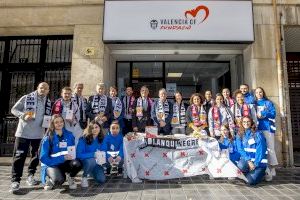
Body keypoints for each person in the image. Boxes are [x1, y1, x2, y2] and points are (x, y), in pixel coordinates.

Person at [10, 82, 52, 193]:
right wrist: (23, 115)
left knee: (35, 156)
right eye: (41, 87)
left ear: (48, 90)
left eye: (46, 88)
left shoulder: (48, 102)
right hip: (23, 133)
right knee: (19, 157)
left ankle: (31, 175)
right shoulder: (26, 98)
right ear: (37, 88)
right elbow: (14, 109)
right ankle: (15, 180)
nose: (43, 90)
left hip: (38, 134)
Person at [40, 114, 81, 190]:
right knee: (59, 180)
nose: (59, 124)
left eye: (61, 121)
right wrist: (62, 158)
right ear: (52, 124)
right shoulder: (48, 138)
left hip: (64, 162)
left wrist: (73, 156)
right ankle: (49, 179)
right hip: (51, 164)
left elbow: (72, 150)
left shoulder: (69, 135)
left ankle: (70, 177)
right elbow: (44, 158)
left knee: (77, 163)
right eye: (56, 122)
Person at [236, 116, 268, 185]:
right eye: (244, 122)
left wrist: (255, 164)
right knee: (240, 166)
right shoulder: (240, 134)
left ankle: (262, 173)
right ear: (241, 123)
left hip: (259, 164)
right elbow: (240, 149)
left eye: (248, 121)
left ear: (251, 123)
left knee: (249, 182)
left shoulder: (258, 134)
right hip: (248, 161)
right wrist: (249, 161)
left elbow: (261, 150)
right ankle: (249, 172)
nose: (246, 123)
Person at [255, 87, 278, 181]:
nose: (259, 94)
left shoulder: (268, 102)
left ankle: (272, 167)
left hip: (267, 128)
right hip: (257, 129)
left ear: (263, 93)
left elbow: (273, 114)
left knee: (270, 148)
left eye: (260, 92)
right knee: (260, 149)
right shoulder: (254, 103)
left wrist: (263, 113)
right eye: (257, 92)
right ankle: (265, 168)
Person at [76, 121, 106, 187]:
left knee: (101, 180)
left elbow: (104, 151)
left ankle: (91, 172)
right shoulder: (83, 139)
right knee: (91, 160)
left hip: (97, 163)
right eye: (92, 128)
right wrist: (93, 154)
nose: (94, 129)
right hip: (85, 162)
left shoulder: (102, 139)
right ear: (89, 129)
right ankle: (84, 177)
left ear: (100, 128)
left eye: (96, 127)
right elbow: (78, 154)